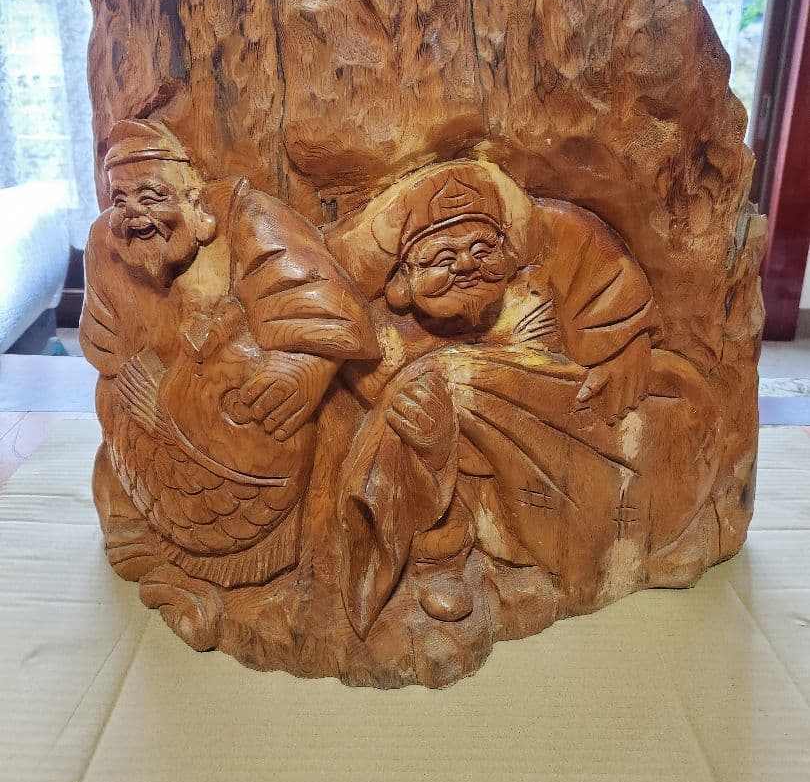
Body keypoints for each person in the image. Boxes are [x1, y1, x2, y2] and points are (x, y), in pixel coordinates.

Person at [335, 162, 718, 639]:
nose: (466, 265)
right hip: (479, 478)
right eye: (442, 257)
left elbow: (609, 302)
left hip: (576, 433)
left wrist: (619, 352)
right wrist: (437, 430)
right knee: (424, 406)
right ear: (402, 280)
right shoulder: (387, 341)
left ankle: (641, 537)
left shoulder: (540, 279)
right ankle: (440, 558)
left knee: (669, 392)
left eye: (482, 249)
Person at [81, 118, 379, 648]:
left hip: (257, 454)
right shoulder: (108, 241)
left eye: (151, 196)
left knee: (331, 420)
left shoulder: (247, 215)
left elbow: (326, 307)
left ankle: (315, 572)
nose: (133, 214)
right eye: (119, 198)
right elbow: (108, 351)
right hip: (160, 457)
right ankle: (163, 554)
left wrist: (303, 363)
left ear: (196, 201)